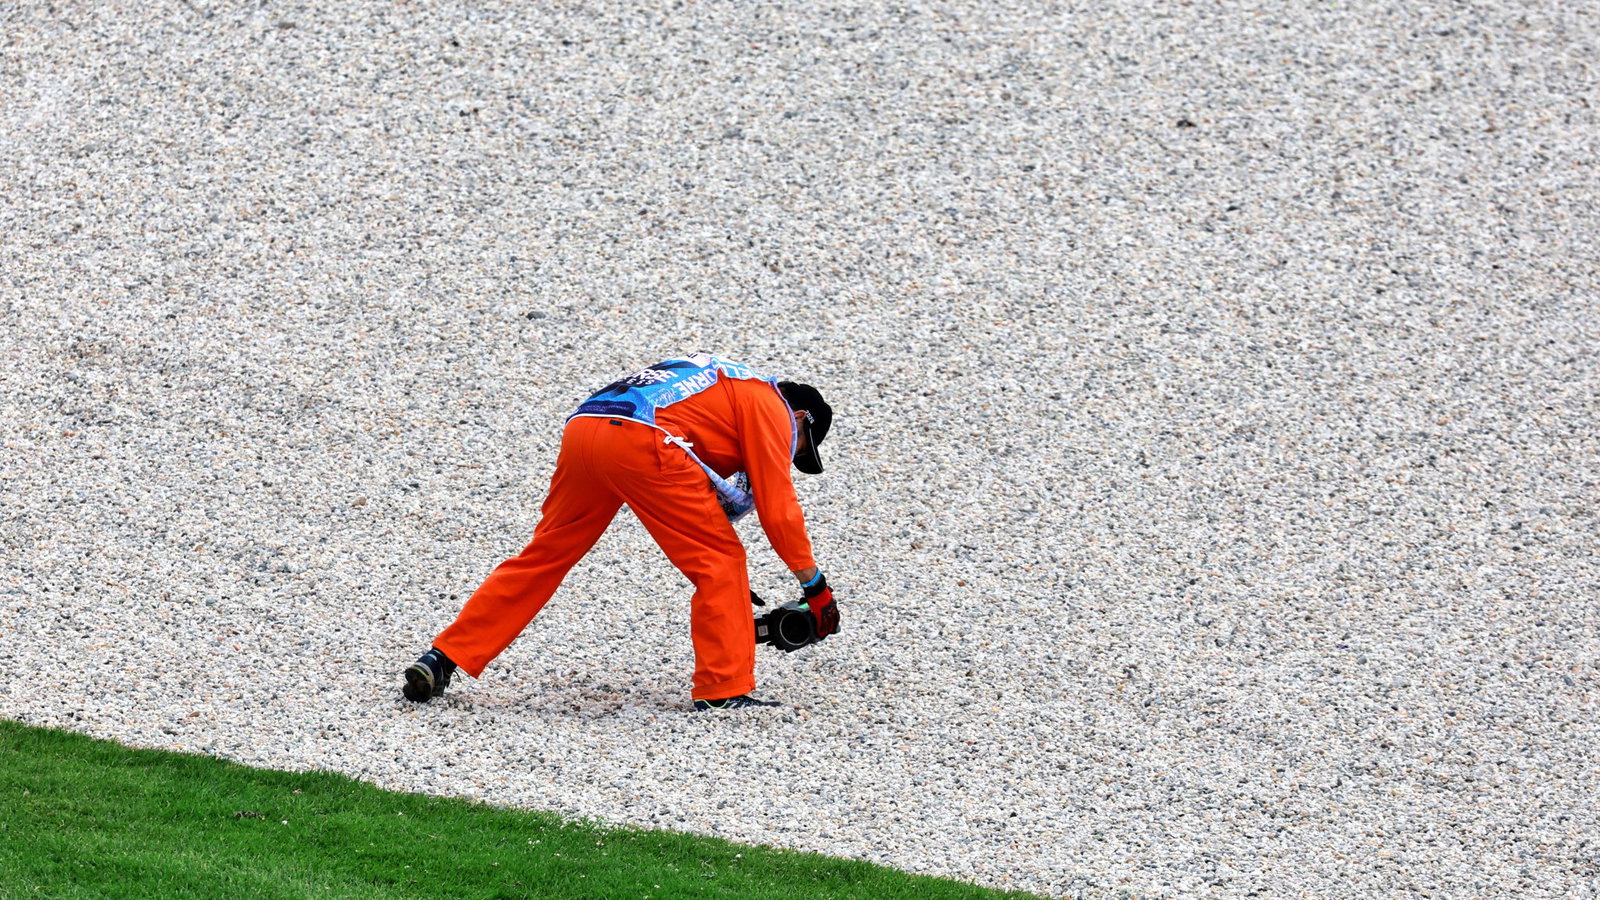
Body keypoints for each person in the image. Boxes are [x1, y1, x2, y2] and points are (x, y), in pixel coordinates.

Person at [401, 353, 837, 711]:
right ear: (800, 417)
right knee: (720, 562)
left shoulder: (719, 379)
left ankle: (443, 658)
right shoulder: (771, 406)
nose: (790, 455)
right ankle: (724, 690)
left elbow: (693, 468)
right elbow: (779, 508)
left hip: (585, 429)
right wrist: (815, 588)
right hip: (643, 440)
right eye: (800, 447)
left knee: (545, 555)